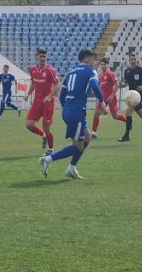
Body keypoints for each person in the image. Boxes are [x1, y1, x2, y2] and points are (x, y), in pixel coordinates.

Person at [39, 49, 106, 180]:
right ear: (87, 59)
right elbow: (95, 86)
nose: (94, 62)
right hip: (77, 112)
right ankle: (47, 159)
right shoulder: (90, 71)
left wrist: (67, 109)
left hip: (69, 110)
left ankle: (71, 168)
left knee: (87, 138)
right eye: (93, 59)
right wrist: (102, 103)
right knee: (77, 147)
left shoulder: (70, 73)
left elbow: (62, 94)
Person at [23, 48, 60, 155]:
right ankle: (43, 135)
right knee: (29, 125)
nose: (43, 59)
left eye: (44, 57)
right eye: (41, 56)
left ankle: (51, 149)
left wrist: (49, 96)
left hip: (47, 103)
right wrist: (27, 94)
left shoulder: (50, 70)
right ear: (37, 57)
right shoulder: (32, 70)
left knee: (47, 128)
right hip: (37, 102)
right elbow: (34, 83)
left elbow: (57, 85)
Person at [91, 57, 126, 138]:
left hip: (111, 98)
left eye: (104, 64)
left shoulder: (110, 74)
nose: (103, 66)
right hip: (102, 98)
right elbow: (100, 86)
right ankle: (94, 132)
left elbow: (117, 85)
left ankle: (128, 121)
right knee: (96, 113)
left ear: (107, 65)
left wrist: (112, 95)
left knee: (115, 116)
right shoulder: (100, 75)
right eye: (102, 64)